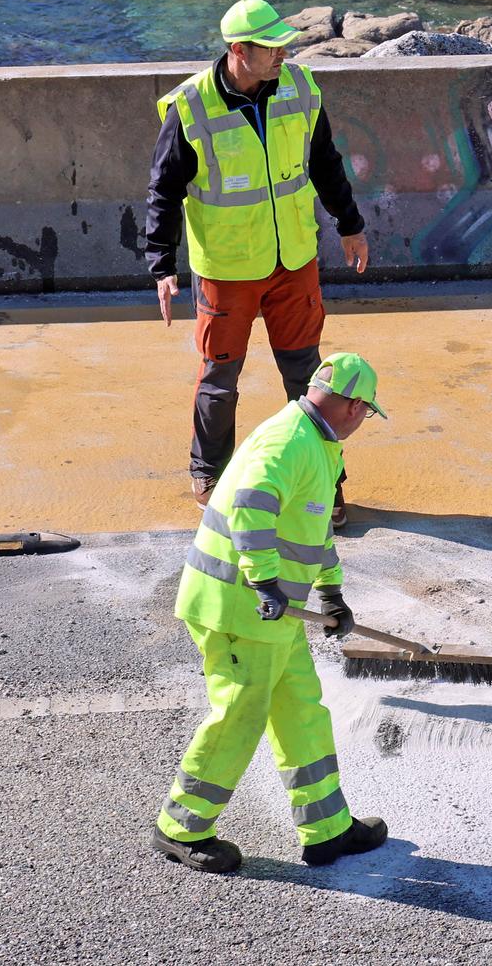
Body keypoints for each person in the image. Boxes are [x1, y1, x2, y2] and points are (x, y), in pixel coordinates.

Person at [151, 352, 390, 874]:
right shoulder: (289, 441)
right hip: (239, 609)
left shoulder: (319, 445)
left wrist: (331, 591)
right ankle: (180, 828)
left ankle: (327, 828)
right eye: (367, 412)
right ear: (354, 406)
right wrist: (263, 581)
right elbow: (251, 505)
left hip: (276, 613)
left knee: (301, 710)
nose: (363, 421)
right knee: (239, 715)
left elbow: (312, 531)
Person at [145, 0, 370, 519]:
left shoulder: (301, 88)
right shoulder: (190, 107)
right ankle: (210, 473)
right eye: (270, 47)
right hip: (227, 270)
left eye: (283, 45)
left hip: (294, 260)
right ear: (238, 50)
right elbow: (164, 190)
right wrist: (162, 265)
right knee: (219, 380)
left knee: (309, 378)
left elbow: (325, 162)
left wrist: (350, 224)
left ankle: (322, 482)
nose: (282, 55)